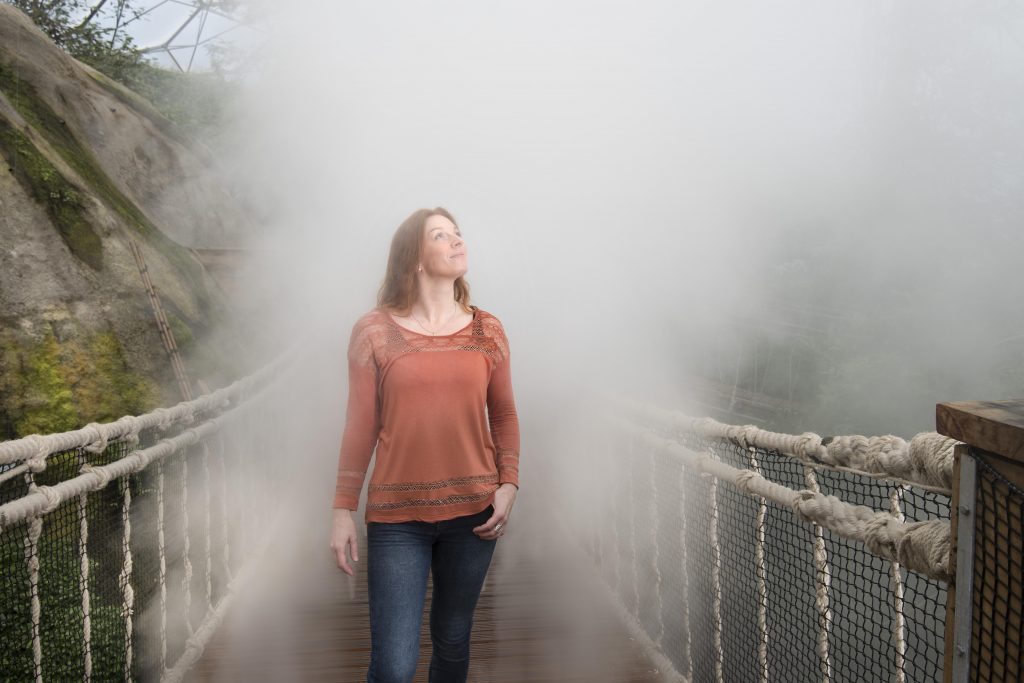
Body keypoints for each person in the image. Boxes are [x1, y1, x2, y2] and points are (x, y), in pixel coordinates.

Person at [330, 207, 520, 683]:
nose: (457, 241)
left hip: (474, 516)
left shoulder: (488, 330)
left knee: (453, 642)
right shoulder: (373, 331)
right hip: (398, 519)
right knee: (393, 667)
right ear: (415, 257)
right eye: (441, 235)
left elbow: (504, 413)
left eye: (458, 233)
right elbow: (360, 426)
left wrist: (509, 484)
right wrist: (341, 510)